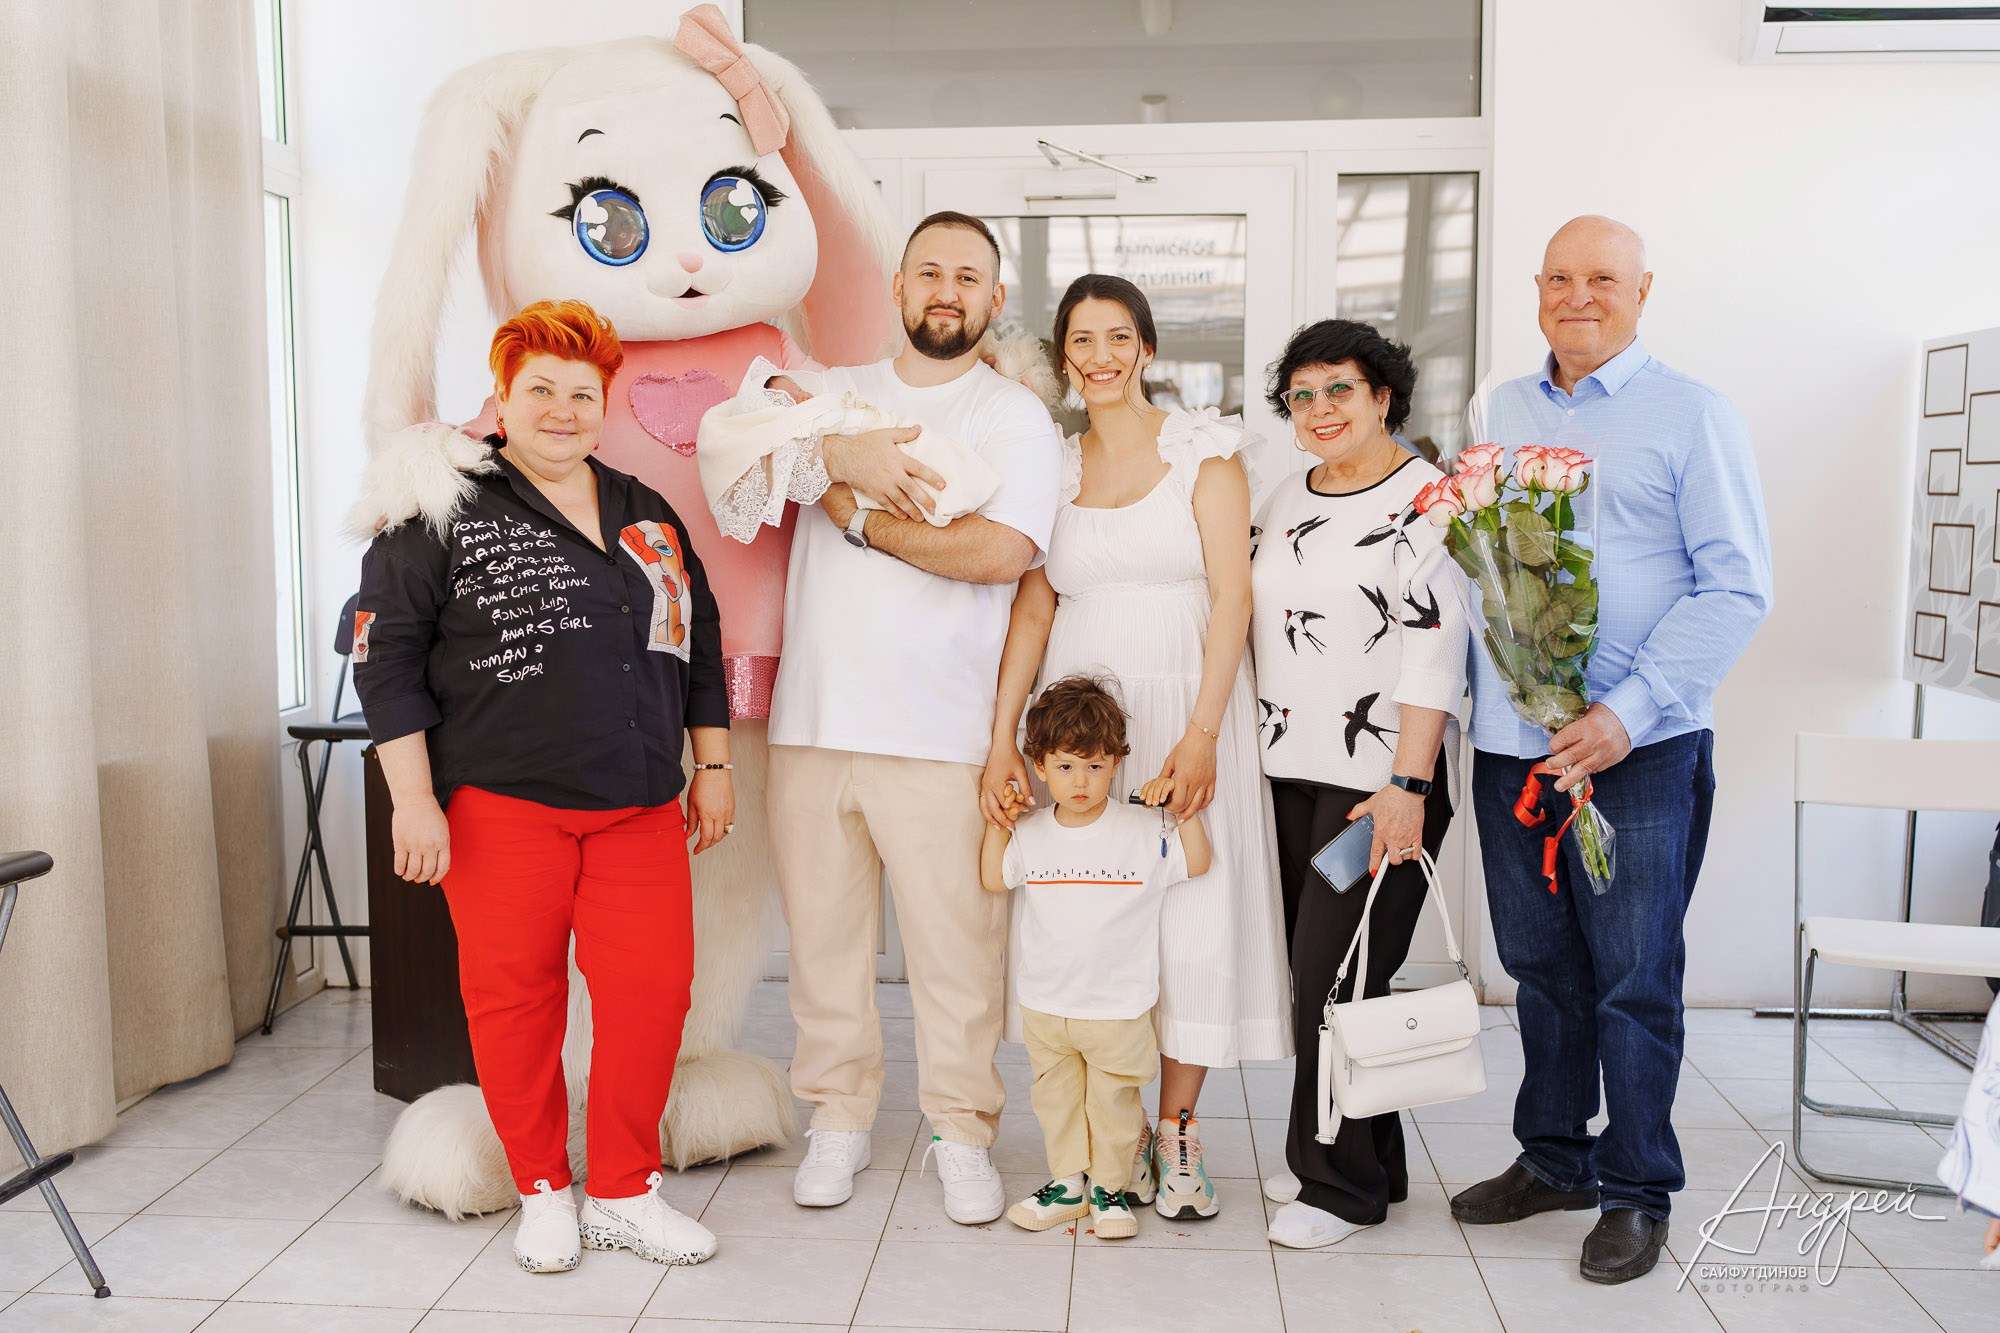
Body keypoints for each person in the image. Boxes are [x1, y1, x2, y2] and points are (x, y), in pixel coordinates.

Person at [352, 300, 731, 1273]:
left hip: (638, 803)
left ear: (604, 403)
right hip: (501, 806)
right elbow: (384, 658)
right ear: (502, 395)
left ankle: (623, 1191)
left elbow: (695, 641)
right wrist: (413, 799)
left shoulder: (645, 509)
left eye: (582, 393)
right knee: (515, 999)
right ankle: (542, 1189)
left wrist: (713, 764)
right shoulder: (441, 503)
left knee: (653, 993)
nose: (562, 410)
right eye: (541, 390)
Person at [1446, 216, 1772, 1284]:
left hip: (1638, 748)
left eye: (1600, 278)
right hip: (1514, 745)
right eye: (1558, 277)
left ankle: (1635, 1189)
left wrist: (1625, 711)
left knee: (1634, 977)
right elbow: (1481, 567)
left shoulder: (1694, 412)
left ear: (1642, 291)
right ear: (1535, 288)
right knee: (1540, 969)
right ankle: (1553, 1159)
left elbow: (1736, 586)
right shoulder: (1498, 408)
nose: (1576, 296)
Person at [750, 212, 1063, 1224]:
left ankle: (961, 1134)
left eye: (967, 276)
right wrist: (838, 452)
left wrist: (858, 516)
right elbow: (741, 449)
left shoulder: (1011, 416)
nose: (946, 290)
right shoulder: (837, 393)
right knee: (824, 949)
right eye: (929, 271)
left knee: (955, 954)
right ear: (896, 287)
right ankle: (837, 1119)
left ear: (994, 298)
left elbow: (1001, 553)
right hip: (813, 722)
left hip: (940, 729)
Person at [982, 274, 1291, 1222]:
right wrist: (1004, 741)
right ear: (1065, 357)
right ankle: (1099, 1135)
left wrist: (1202, 734)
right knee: (1098, 916)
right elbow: (1033, 609)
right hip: (1082, 725)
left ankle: (1177, 1132)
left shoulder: (1204, 452)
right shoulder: (1051, 466)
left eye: (1119, 336)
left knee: (1191, 912)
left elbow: (1233, 598)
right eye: (1082, 340)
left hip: (1188, 703)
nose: (1102, 356)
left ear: (1147, 347)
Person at [1248, 319, 1470, 1248]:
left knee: (1331, 984)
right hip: (1287, 775)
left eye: (1340, 388)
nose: (1320, 409)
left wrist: (1408, 785)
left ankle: (1337, 1186)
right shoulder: (1283, 493)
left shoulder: (1428, 500)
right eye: (1301, 395)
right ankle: (1371, 1156)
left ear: (1384, 396)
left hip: (1375, 790)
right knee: (1340, 979)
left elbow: (1435, 652)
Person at [979, 676, 1212, 1240]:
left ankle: (1109, 1188)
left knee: (1114, 1104)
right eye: (1064, 766)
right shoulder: (1031, 831)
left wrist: (1182, 811)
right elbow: (992, 878)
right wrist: (999, 821)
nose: (1080, 781)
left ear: (1115, 764)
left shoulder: (1144, 828)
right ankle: (1067, 1183)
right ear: (1038, 766)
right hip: (1046, 1003)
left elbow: (1198, 863)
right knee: (1056, 1101)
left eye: (1094, 766)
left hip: (1118, 1006)